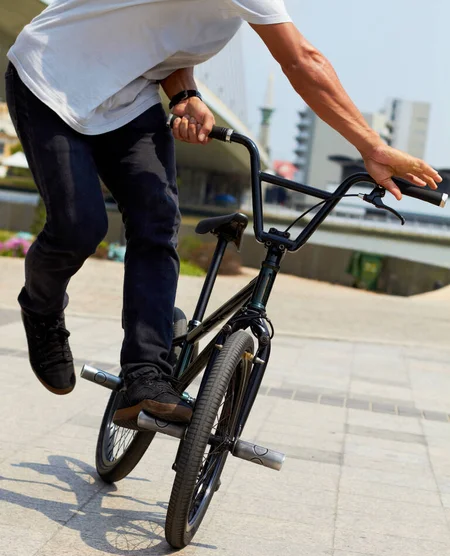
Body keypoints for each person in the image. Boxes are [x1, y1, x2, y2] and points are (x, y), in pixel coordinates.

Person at [5, 0, 441, 429]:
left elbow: (164, 43)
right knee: (80, 226)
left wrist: (186, 94)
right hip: (50, 78)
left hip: (127, 102)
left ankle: (146, 377)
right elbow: (302, 62)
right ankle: (42, 310)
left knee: (158, 222)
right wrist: (371, 146)